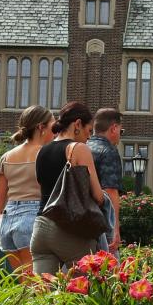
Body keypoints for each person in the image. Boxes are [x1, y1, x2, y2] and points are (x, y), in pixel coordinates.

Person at [29, 101, 108, 273]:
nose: (89, 137)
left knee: (41, 294)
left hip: (41, 229)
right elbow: (98, 196)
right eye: (89, 131)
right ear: (77, 124)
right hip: (68, 229)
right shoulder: (78, 149)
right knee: (85, 291)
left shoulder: (42, 151)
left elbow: (42, 186)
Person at [0, 105, 54, 270]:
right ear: (41, 127)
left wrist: (1, 226)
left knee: (23, 282)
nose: (55, 130)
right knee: (37, 283)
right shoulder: (46, 154)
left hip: (7, 221)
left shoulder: (7, 156)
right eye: (52, 126)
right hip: (32, 218)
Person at [87, 107, 125, 252]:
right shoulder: (108, 151)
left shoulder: (82, 147)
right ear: (114, 128)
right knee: (109, 269)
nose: (120, 136)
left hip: (78, 218)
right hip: (102, 221)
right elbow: (110, 191)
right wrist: (115, 230)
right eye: (121, 131)